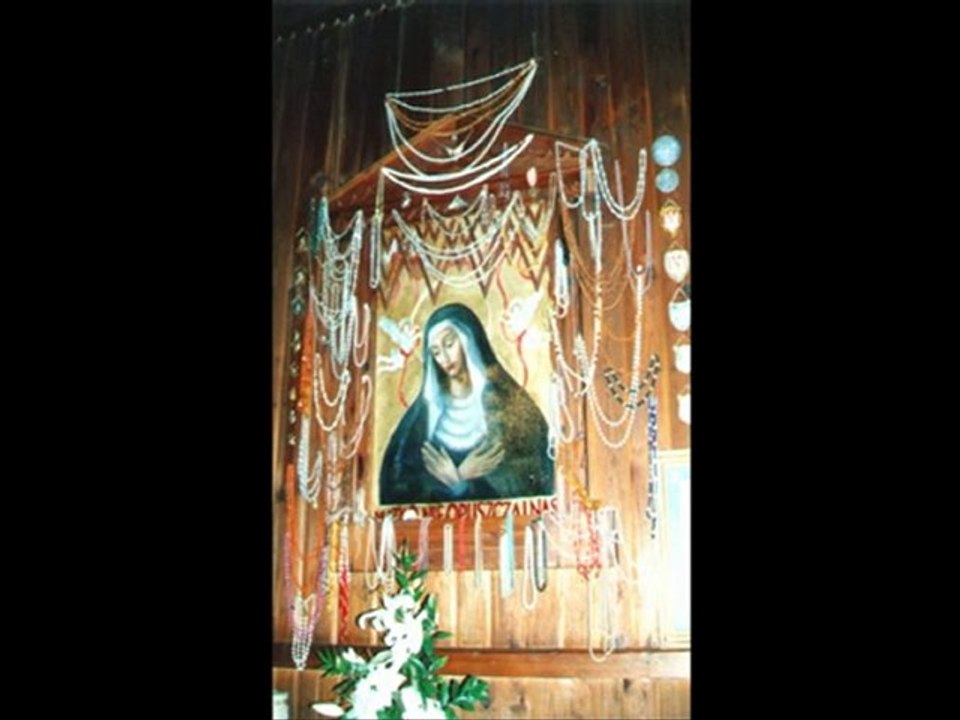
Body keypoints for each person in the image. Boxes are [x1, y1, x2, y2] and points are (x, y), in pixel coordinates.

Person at [380, 303, 554, 504]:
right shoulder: (423, 416)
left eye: (449, 344)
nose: (444, 358)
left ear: (468, 339)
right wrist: (460, 477)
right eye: (436, 351)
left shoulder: (505, 403)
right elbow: (396, 487)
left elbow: (532, 478)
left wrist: (461, 482)